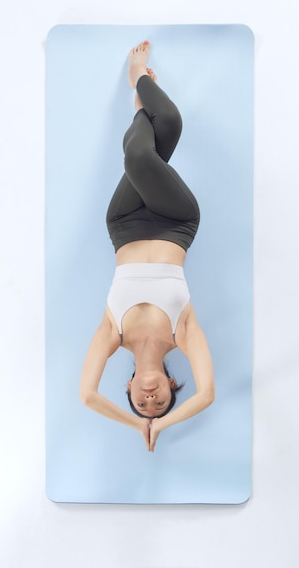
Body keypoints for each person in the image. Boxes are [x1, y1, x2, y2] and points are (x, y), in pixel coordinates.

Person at [80, 41, 215, 452]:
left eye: (142, 403)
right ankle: (139, 87)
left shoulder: (112, 334)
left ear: (131, 385)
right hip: (176, 223)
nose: (151, 401)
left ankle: (139, 89)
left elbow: (87, 396)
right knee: (158, 134)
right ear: (174, 384)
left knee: (155, 140)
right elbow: (207, 394)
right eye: (161, 403)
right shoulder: (183, 334)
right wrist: (164, 425)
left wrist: (137, 426)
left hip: (125, 224)